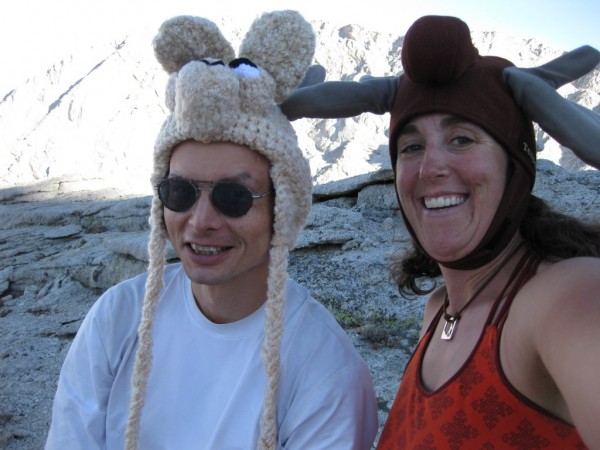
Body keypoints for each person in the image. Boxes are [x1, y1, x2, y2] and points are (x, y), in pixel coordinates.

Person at [45, 11, 378, 450]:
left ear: (284, 207)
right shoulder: (115, 320)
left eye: (234, 197)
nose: (201, 221)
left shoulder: (324, 369)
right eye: (180, 193)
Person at [281, 15, 600, 448]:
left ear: (516, 166)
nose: (431, 168)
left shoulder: (565, 298)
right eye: (411, 147)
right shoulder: (439, 310)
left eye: (463, 139)